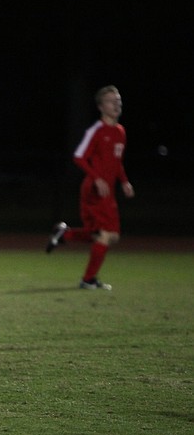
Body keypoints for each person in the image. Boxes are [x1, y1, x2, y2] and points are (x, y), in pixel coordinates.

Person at [46, 85, 134, 290]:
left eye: (118, 100)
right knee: (105, 235)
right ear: (101, 107)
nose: (116, 104)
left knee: (109, 236)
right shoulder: (96, 130)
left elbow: (117, 162)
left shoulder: (120, 132)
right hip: (94, 190)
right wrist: (97, 178)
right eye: (111, 101)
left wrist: (124, 181)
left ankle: (65, 235)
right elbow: (79, 156)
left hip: (108, 191)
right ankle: (88, 280)